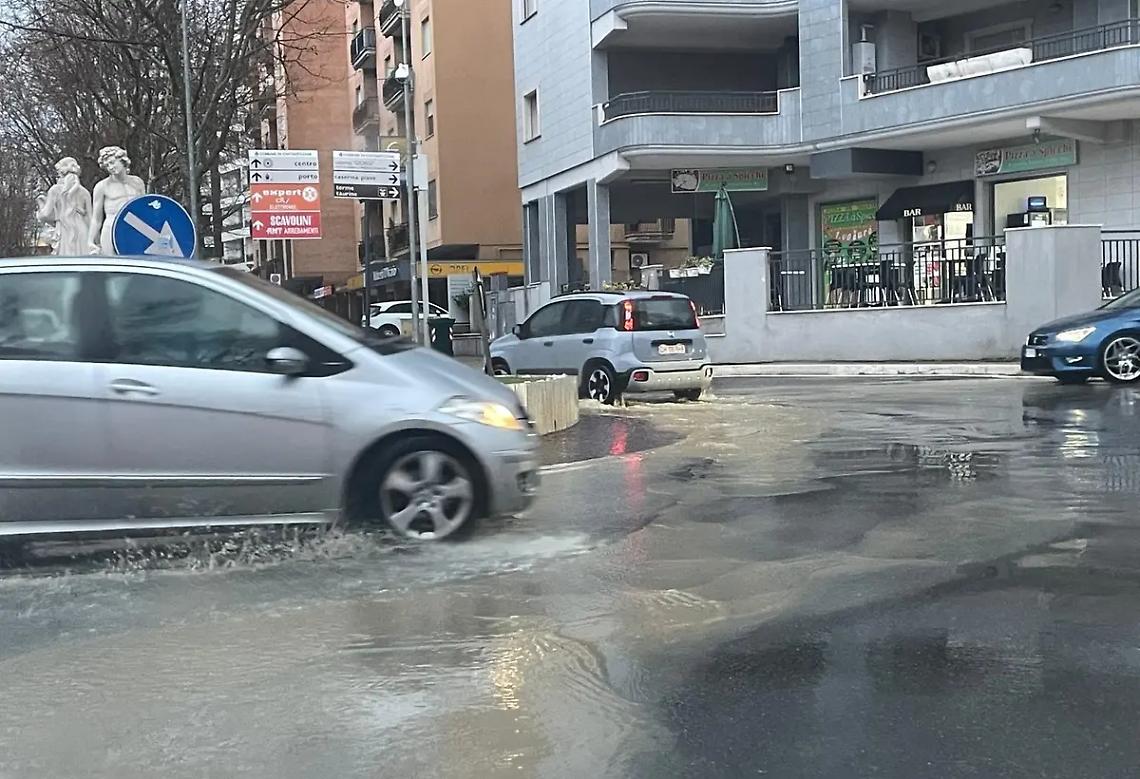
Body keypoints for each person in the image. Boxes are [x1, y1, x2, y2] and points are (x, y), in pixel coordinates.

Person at [88, 146, 146, 255]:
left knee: (137, 262)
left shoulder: (138, 182)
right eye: (107, 165)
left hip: (135, 228)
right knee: (112, 263)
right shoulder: (102, 186)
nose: (110, 167)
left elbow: (144, 210)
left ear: (122, 160)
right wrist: (90, 240)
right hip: (111, 229)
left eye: (112, 162)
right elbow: (96, 218)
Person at [36, 157, 92, 256]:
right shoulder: (84, 192)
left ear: (61, 173)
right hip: (83, 231)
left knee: (65, 261)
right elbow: (90, 220)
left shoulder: (55, 190)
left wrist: (40, 204)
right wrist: (94, 240)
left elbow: (45, 215)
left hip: (64, 231)